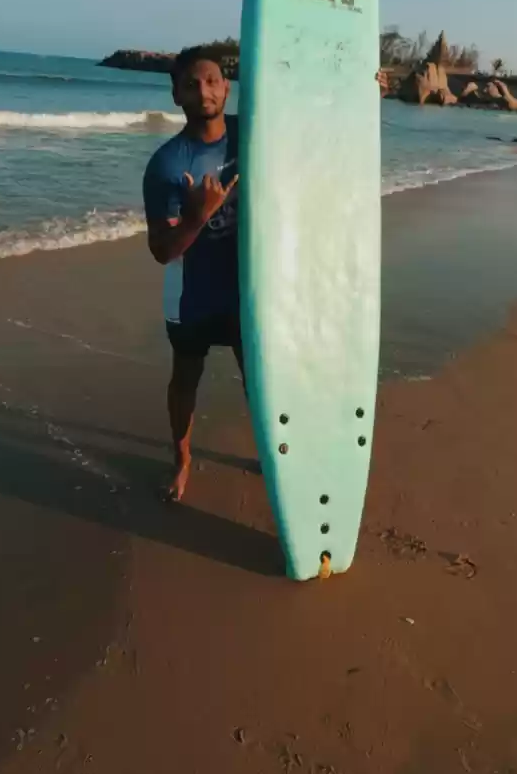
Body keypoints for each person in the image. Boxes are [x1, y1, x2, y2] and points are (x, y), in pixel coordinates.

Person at [142, 46, 389, 503]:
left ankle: (275, 453)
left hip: (251, 290)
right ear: (175, 94)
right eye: (191, 84)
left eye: (212, 81)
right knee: (186, 379)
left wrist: (363, 96)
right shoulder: (168, 165)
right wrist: (196, 218)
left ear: (227, 87)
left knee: (261, 380)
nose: (203, 91)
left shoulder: (255, 133)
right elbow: (161, 250)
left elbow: (319, 136)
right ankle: (182, 459)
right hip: (192, 295)